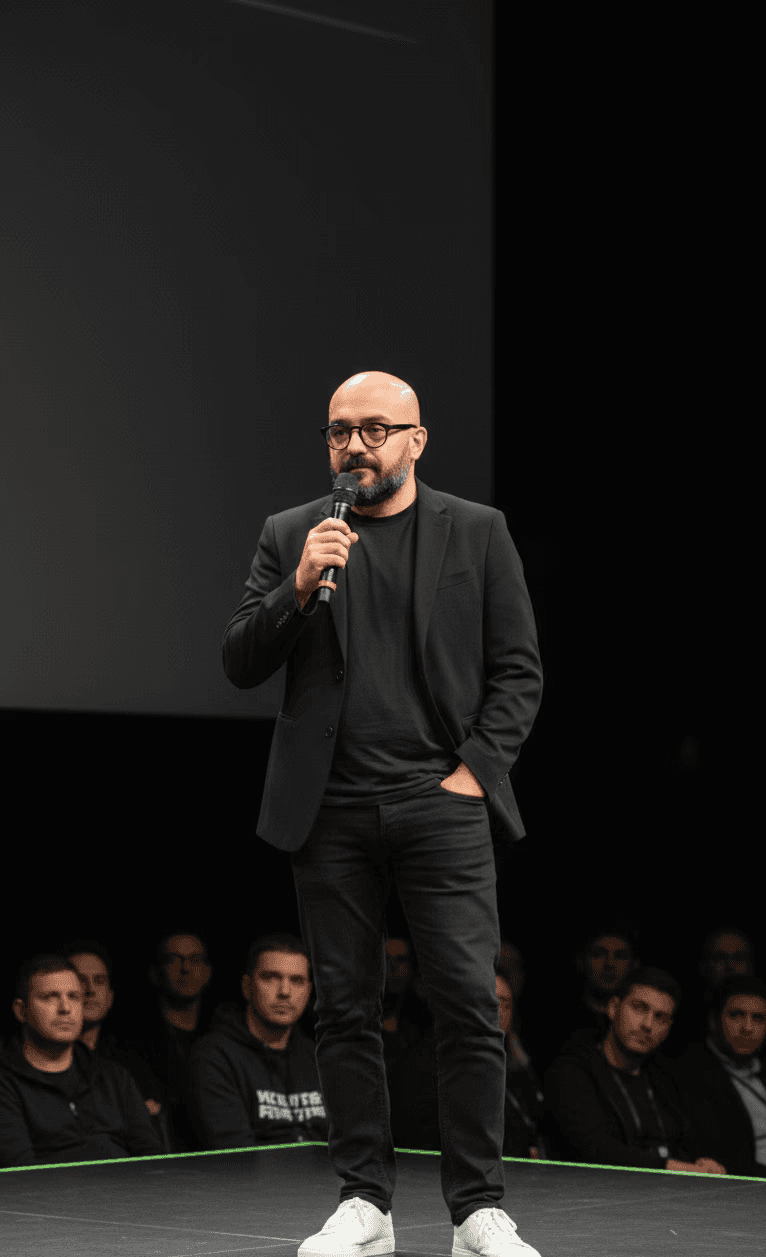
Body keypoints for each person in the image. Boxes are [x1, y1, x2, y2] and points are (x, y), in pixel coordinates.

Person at [223, 370, 544, 1256]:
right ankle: (365, 1200)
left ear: (416, 439)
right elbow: (240, 660)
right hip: (329, 810)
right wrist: (296, 587)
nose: (354, 445)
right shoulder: (294, 533)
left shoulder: (477, 531)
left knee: (469, 1007)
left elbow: (520, 670)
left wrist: (474, 776)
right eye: (338, 431)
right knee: (345, 1010)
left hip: (440, 803)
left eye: (373, 429)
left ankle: (478, 1206)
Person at [541, 966, 727, 1176]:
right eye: (639, 1008)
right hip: (595, 1195)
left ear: (668, 1029)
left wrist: (703, 1161)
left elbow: (692, 1136)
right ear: (613, 1008)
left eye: (660, 1017)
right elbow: (594, 1149)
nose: (648, 1024)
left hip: (669, 1194)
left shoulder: (666, 1076)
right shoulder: (572, 1071)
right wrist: (670, 1167)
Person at [0, 953, 162, 1168]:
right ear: (22, 1011)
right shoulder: (6, 1083)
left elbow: (154, 1158)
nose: (65, 1008)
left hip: (129, 1196)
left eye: (74, 997)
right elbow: (21, 1175)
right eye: (49, 997)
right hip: (52, 1198)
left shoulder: (113, 1076)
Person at [186, 933, 328, 1149]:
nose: (285, 992)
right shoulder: (213, 1056)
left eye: (297, 980)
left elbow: (347, 1145)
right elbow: (235, 1154)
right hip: (250, 1180)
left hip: (322, 1180)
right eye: (271, 977)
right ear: (247, 986)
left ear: (309, 991)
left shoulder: (317, 1056)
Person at [668, 974, 766, 1178]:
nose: (748, 1028)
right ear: (714, 1021)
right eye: (736, 1015)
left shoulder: (760, 1069)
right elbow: (721, 1158)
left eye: (758, 1018)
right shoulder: (690, 1073)